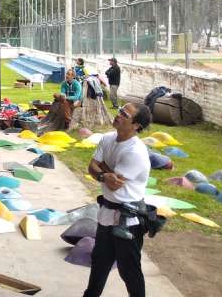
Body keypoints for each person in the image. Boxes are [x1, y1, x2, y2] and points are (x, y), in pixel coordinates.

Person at [84, 103, 153, 297]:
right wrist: (104, 174)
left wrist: (102, 169)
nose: (118, 115)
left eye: (125, 114)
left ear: (136, 125)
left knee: (128, 270)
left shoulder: (136, 152)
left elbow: (114, 184)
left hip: (128, 221)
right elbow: (92, 167)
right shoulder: (107, 138)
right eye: (120, 110)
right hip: (107, 214)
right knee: (99, 262)